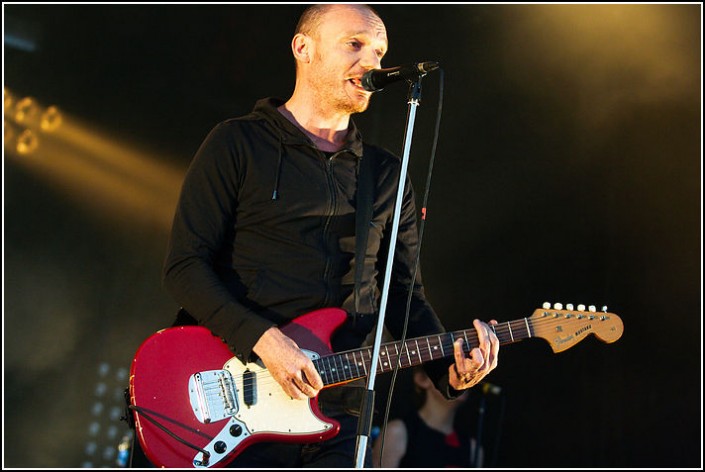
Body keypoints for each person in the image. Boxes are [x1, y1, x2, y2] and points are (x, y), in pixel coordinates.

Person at [161, 3, 500, 468]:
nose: (373, 63)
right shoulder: (237, 144)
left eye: (379, 52)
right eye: (355, 45)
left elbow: (402, 295)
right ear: (304, 47)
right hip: (237, 392)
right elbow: (184, 267)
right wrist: (263, 339)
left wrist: (451, 371)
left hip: (337, 413)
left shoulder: (384, 175)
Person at [372, 367, 482, 468]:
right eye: (453, 366)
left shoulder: (472, 448)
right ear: (422, 379)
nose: (463, 371)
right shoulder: (397, 432)